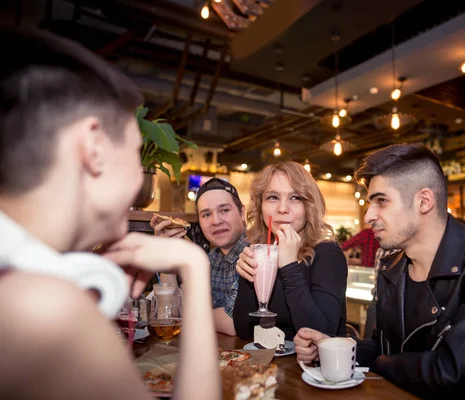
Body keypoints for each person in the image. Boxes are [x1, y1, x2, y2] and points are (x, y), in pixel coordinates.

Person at [0, 28, 220, 399]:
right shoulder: (45, 309)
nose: (139, 176)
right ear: (95, 146)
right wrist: (195, 267)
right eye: (136, 152)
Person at [294, 144, 465, 399]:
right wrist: (331, 348)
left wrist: (382, 363)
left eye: (381, 201)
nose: (368, 216)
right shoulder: (392, 269)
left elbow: (453, 374)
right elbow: (381, 348)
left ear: (424, 201)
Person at [234, 161, 348, 340]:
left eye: (295, 198)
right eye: (272, 197)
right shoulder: (261, 253)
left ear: (309, 205)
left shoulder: (327, 253)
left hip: (310, 367)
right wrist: (246, 278)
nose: (282, 208)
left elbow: (322, 335)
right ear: (260, 205)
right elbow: (245, 331)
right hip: (271, 365)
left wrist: (289, 266)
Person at [152, 178, 247, 336]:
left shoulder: (255, 254)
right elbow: (169, 313)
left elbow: (232, 323)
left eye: (224, 210)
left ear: (242, 213)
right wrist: (166, 256)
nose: (216, 221)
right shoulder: (210, 259)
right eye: (206, 214)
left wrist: (185, 313)